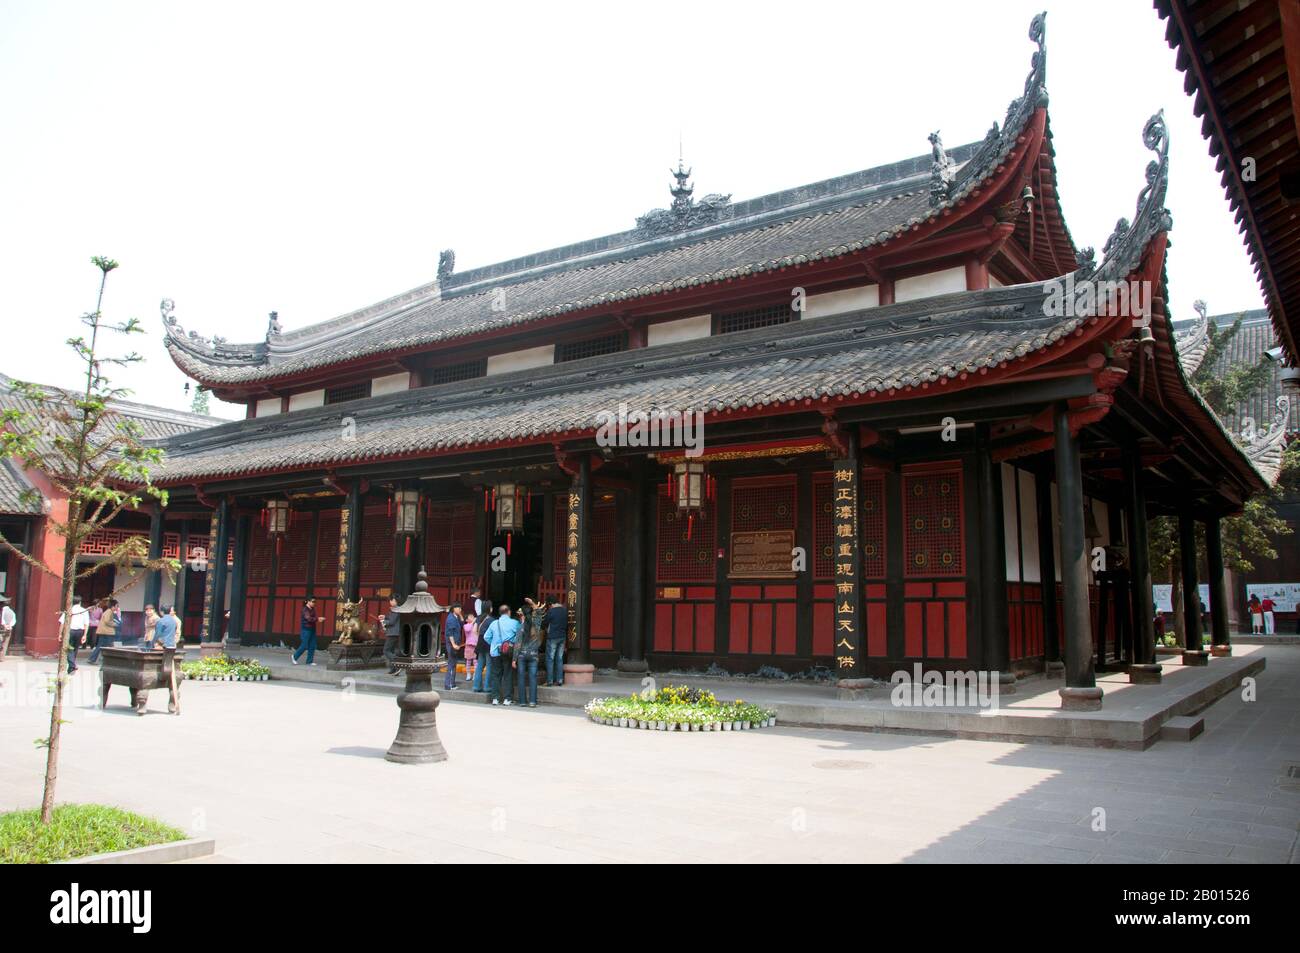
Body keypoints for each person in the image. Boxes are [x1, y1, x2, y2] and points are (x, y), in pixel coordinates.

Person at [482, 603, 519, 706]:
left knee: (496, 675)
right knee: (508, 675)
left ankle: (495, 698)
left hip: (495, 653)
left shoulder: (494, 623)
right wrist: (511, 644)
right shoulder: (515, 623)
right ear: (508, 612)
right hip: (508, 652)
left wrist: (494, 644)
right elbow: (519, 637)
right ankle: (507, 699)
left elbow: (486, 637)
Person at [514, 598, 544, 707]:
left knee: (521, 677)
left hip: (522, 654)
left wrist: (514, 659)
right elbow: (539, 613)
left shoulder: (520, 627)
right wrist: (532, 603)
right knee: (533, 677)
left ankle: (522, 702)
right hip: (533, 654)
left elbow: (517, 644)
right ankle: (532, 702)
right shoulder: (536, 626)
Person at [59, 595, 90, 673]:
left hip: (70, 631)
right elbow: (86, 624)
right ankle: (71, 666)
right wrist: (85, 635)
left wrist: (60, 634)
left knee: (69, 648)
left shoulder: (69, 610)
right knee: (75, 648)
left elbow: (62, 623)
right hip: (80, 631)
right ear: (80, 602)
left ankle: (72, 665)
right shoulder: (84, 611)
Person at [544, 596, 567, 687]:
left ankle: (550, 681)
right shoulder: (565, 611)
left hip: (553, 637)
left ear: (551, 604)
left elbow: (545, 623)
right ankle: (559, 680)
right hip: (562, 636)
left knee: (550, 659)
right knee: (559, 658)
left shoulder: (551, 611)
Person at [471, 601, 493, 692]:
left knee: (480, 666)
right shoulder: (492, 620)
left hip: (480, 643)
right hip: (488, 644)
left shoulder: (478, 618)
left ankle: (476, 686)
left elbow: (473, 631)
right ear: (489, 609)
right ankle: (487, 687)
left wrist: (479, 637)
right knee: (489, 666)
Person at [89, 598, 118, 663]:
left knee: (101, 646)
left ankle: (92, 659)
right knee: (108, 646)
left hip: (104, 631)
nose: (117, 607)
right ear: (113, 606)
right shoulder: (109, 612)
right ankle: (107, 660)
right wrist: (114, 624)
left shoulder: (108, 611)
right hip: (106, 632)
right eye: (116, 606)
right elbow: (107, 621)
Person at [443, 603, 464, 690]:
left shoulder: (456, 617)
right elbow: (450, 633)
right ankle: (449, 684)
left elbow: (462, 623)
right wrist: (453, 644)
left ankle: (452, 683)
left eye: (460, 608)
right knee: (451, 663)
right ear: (453, 608)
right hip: (452, 643)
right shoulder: (451, 618)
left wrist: (460, 615)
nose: (460, 609)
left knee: (453, 663)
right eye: (458, 608)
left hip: (455, 642)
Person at [292, 597, 318, 665]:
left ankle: (309, 661)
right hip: (306, 630)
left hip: (312, 629)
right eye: (312, 601)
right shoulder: (305, 609)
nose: (314, 603)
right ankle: (294, 657)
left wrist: (316, 619)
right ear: (308, 602)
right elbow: (308, 619)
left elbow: (313, 618)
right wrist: (318, 619)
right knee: (304, 645)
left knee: (312, 645)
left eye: (315, 602)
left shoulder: (313, 609)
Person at [378, 596, 400, 674]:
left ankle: (397, 664)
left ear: (396, 601)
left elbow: (391, 622)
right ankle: (393, 669)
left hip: (393, 633)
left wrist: (384, 621)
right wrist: (385, 617)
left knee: (386, 650)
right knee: (392, 651)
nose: (390, 602)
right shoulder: (398, 609)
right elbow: (392, 618)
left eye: (392, 600)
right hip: (396, 633)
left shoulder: (395, 609)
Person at [462, 609, 479, 689]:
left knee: (475, 661)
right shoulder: (466, 625)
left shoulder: (475, 625)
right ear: (466, 620)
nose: (472, 617)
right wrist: (472, 622)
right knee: (468, 661)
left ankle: (475, 674)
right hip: (469, 645)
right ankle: (468, 674)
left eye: (473, 616)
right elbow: (468, 629)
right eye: (470, 617)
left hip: (475, 645)